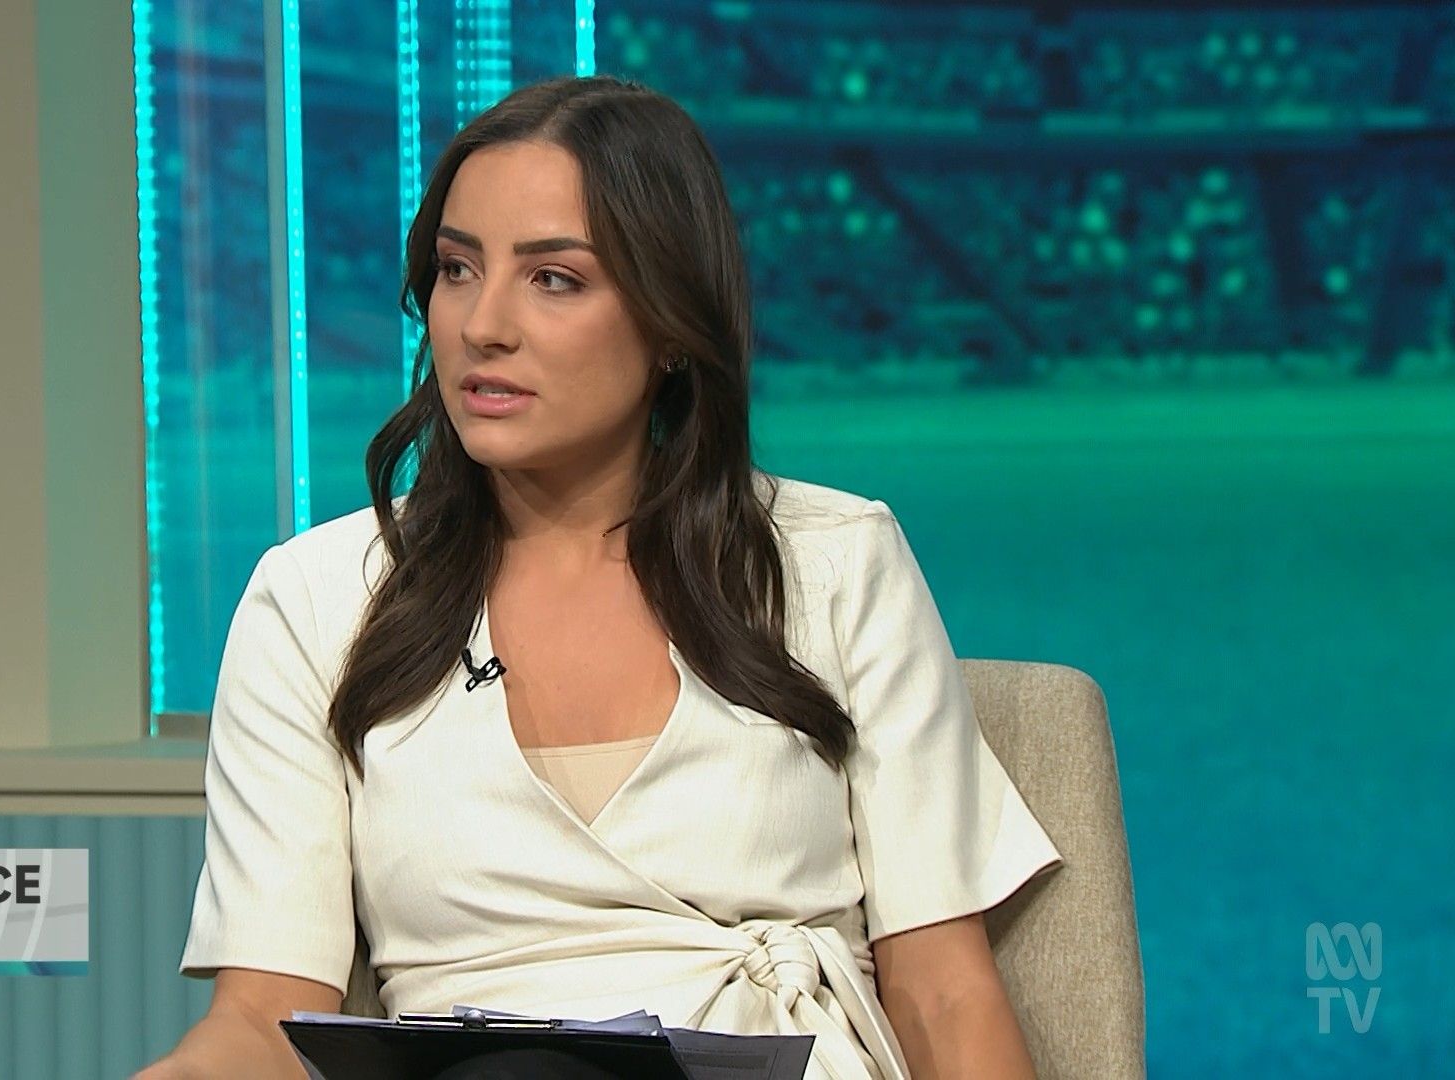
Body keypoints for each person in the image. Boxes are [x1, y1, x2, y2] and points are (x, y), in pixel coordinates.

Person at [136, 74, 1061, 1080]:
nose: (483, 324)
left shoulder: (835, 562)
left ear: (669, 324)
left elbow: (943, 992)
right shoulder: (318, 598)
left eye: (554, 279)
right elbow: (263, 1019)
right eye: (456, 269)